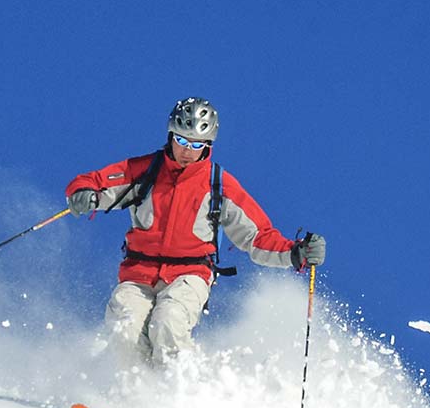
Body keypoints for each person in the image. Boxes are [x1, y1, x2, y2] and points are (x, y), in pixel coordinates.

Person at [64, 97, 326, 367]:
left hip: (190, 274)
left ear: (208, 145)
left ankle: (177, 392)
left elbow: (257, 235)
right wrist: (83, 194)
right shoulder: (145, 171)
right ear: (170, 136)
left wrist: (296, 252)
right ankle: (132, 394)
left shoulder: (218, 185)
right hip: (138, 273)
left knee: (168, 322)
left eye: (196, 144)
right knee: (125, 328)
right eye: (182, 141)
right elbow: (94, 182)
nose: (187, 151)